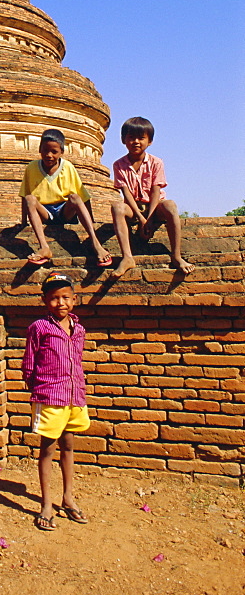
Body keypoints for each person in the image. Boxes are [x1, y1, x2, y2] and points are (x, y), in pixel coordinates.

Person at [23, 271, 90, 531]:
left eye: (65, 297)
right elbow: (29, 364)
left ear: (74, 300)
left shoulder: (79, 329)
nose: (60, 303)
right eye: (53, 298)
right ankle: (47, 504)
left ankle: (68, 498)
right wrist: (39, 389)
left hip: (75, 397)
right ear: (44, 301)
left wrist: (79, 388)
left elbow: (78, 361)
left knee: (69, 445)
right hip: (50, 396)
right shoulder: (39, 328)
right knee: (48, 449)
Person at [110, 116, 195, 277]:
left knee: (170, 205)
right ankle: (127, 257)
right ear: (123, 140)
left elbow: (156, 190)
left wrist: (149, 218)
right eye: (131, 137)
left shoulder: (156, 162)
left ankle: (176, 256)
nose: (136, 142)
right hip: (133, 206)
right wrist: (141, 219)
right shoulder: (118, 165)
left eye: (141, 138)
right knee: (117, 207)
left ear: (150, 141)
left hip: (155, 206)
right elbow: (126, 194)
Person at [20, 127, 112, 267]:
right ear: (39, 149)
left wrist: (91, 221)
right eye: (45, 150)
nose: (49, 155)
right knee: (30, 199)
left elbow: (84, 197)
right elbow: (24, 196)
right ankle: (44, 247)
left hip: (65, 210)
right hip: (45, 212)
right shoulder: (31, 167)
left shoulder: (67, 167)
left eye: (54, 152)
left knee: (75, 197)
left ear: (62, 152)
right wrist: (23, 222)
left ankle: (96, 243)